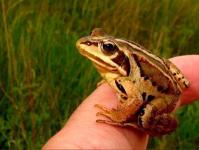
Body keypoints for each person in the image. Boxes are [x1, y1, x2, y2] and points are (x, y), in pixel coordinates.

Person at [43, 55, 199, 149]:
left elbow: (136, 99)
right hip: (164, 75)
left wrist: (117, 115)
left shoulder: (125, 78)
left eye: (108, 48)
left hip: (165, 95)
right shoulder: (121, 74)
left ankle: (138, 123)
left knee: (144, 118)